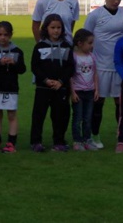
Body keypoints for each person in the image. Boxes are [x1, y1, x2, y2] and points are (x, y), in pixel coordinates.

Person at [83, 0, 123, 149]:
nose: (116, 1)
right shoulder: (95, 15)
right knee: (98, 102)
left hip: (120, 68)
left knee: (120, 103)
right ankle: (95, 135)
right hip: (100, 67)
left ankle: (121, 135)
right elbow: (86, 38)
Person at [30, 14, 74, 153]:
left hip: (60, 88)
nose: (56, 31)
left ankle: (59, 141)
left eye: (59, 27)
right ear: (46, 28)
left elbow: (70, 67)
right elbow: (35, 66)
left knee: (60, 116)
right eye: (53, 27)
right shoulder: (40, 46)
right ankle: (36, 141)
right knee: (39, 115)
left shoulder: (67, 46)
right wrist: (45, 80)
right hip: (43, 87)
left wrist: (61, 81)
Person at [0, 21, 26, 153]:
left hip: (11, 88)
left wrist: (14, 63)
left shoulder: (17, 51)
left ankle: (11, 142)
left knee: (12, 115)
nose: (3, 37)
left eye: (6, 35)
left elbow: (22, 69)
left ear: (11, 35)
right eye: (0, 34)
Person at [70, 29, 99, 151]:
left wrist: (96, 89)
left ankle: (87, 139)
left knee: (88, 118)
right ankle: (77, 141)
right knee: (78, 118)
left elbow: (95, 73)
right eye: (90, 43)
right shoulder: (74, 57)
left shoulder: (92, 57)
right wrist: (72, 92)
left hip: (90, 92)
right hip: (78, 92)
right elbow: (70, 76)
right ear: (80, 43)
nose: (92, 46)